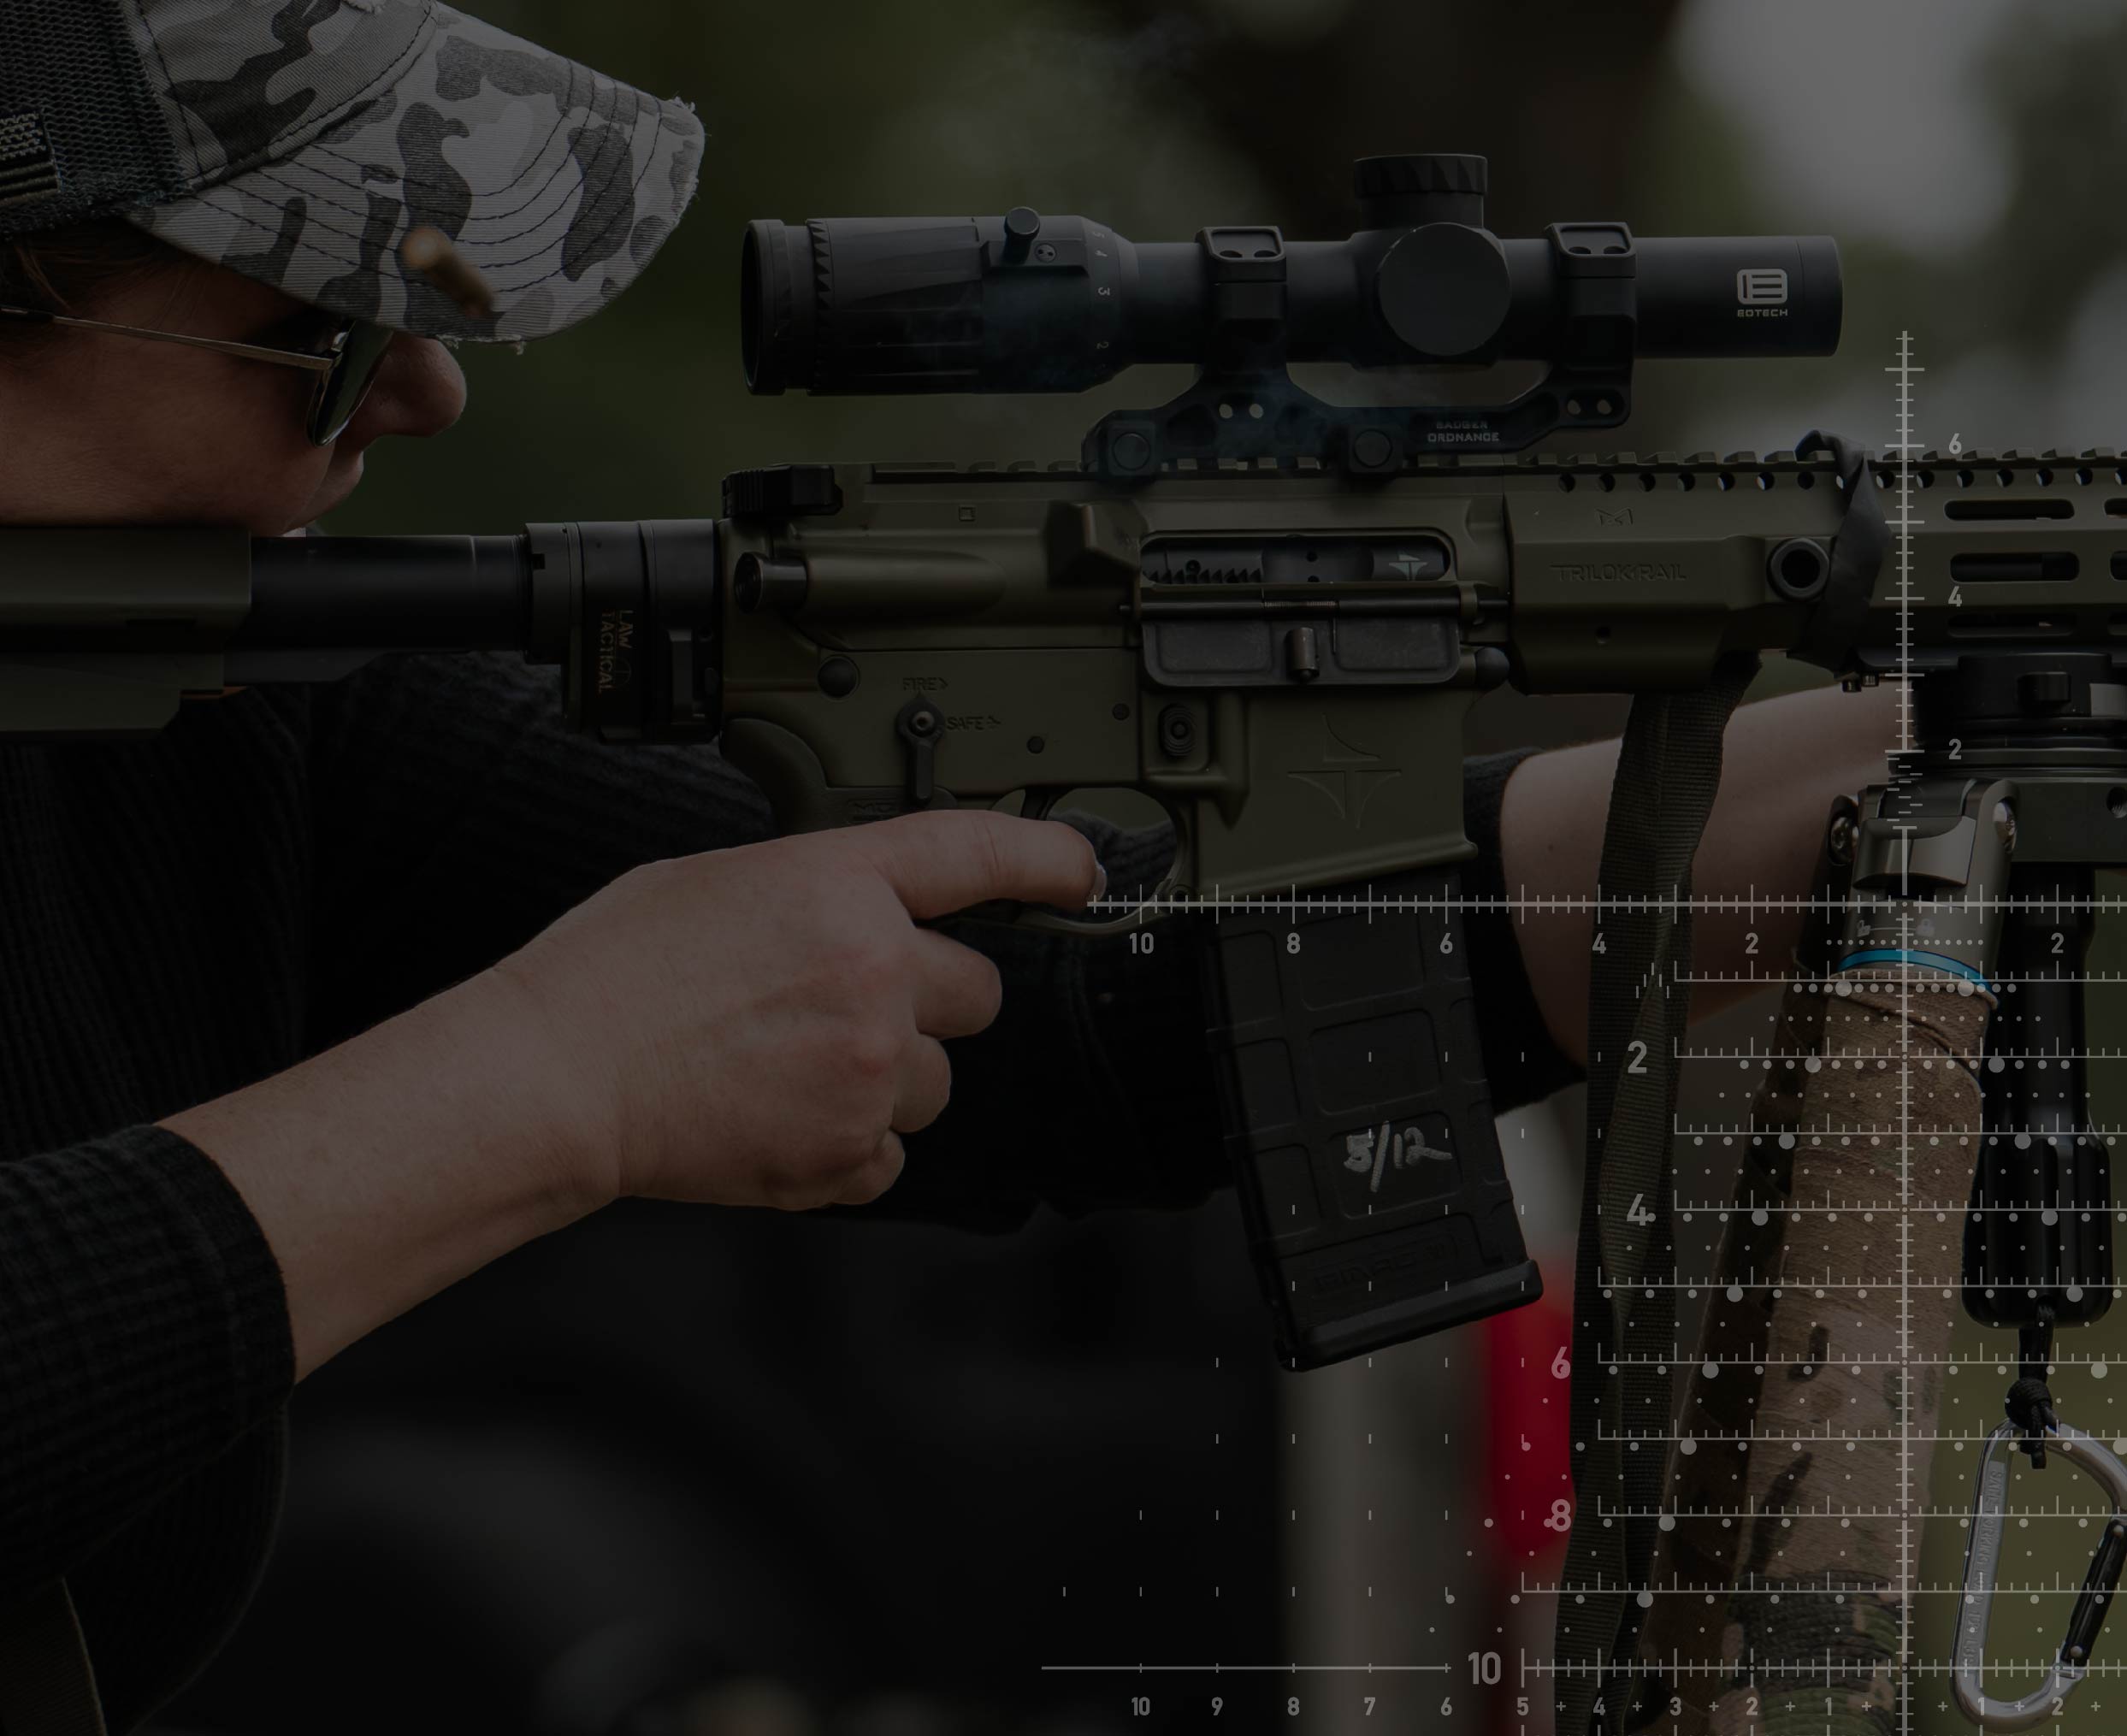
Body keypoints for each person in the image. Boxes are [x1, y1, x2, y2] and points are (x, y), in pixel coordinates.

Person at [0, 3, 1903, 1729]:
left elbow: (1075, 993)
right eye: (312, 338)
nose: (421, 397)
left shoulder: (215, 704)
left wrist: (1899, 760)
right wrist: (550, 1081)